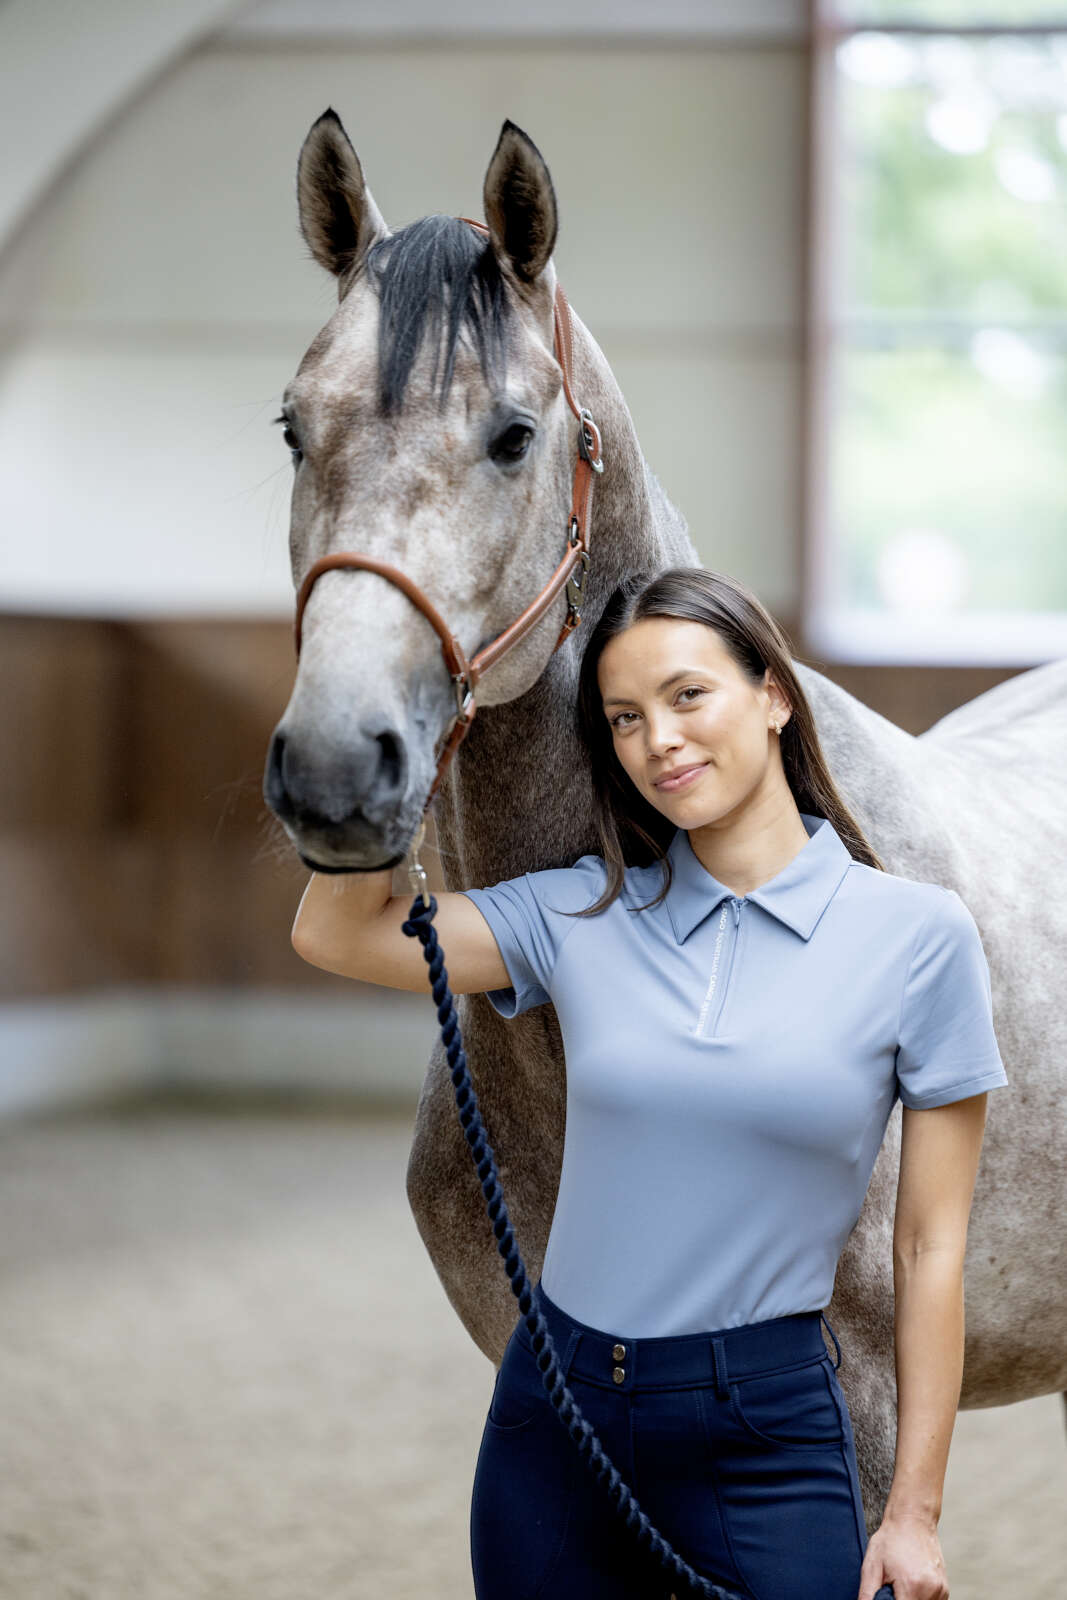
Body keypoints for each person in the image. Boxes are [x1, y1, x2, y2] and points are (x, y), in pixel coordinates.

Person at [291, 566, 1008, 1600]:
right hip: (555, 1409)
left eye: (685, 696)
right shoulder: (578, 911)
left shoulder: (916, 936)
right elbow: (334, 930)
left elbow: (927, 1245)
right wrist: (399, 739)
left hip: (761, 1426)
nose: (657, 740)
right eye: (623, 718)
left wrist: (911, 1513)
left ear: (771, 697)